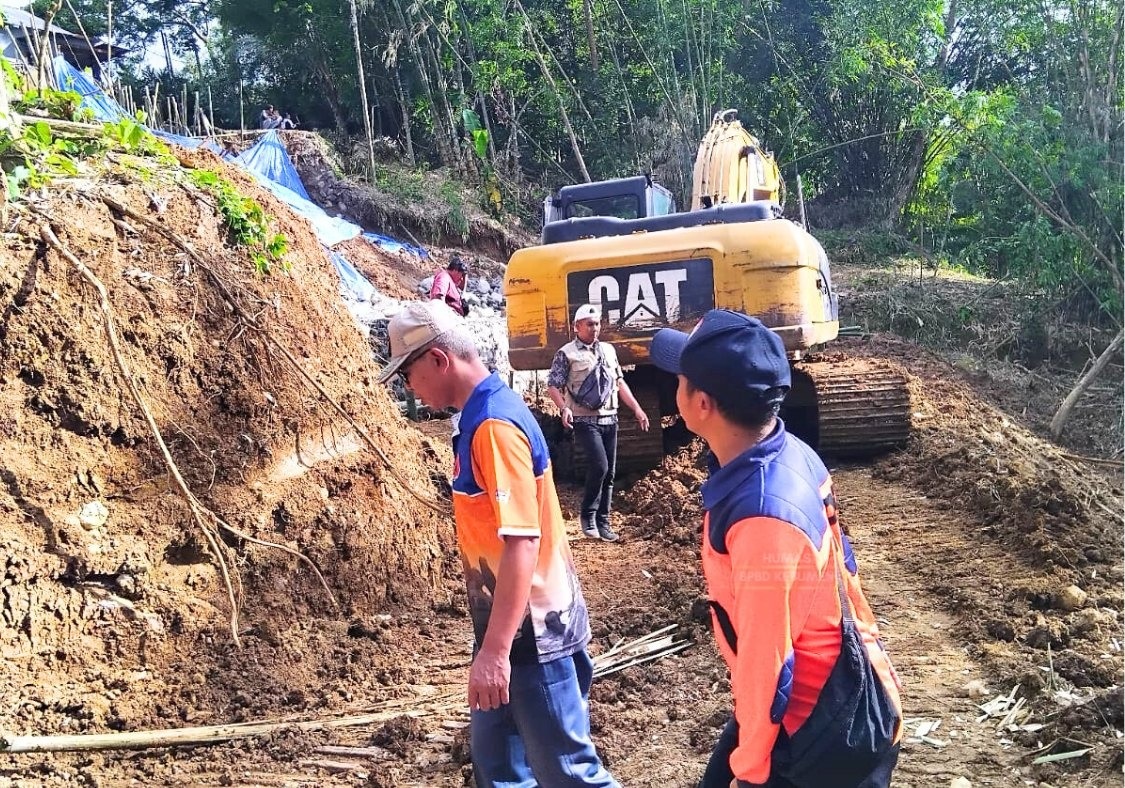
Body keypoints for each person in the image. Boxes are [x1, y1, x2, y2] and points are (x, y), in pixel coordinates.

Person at [649, 309, 903, 788]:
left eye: (680, 377)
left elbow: (768, 664)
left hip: (816, 731)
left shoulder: (763, 517)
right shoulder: (784, 451)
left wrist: (750, 774)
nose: (673, 385)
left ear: (701, 403)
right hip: (819, 698)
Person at [376, 300, 618, 788]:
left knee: (569, 774)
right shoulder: (482, 415)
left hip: (531, 634)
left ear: (439, 361)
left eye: (408, 373)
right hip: (509, 631)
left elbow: (522, 542)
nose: (409, 386)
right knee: (500, 769)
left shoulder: (493, 427)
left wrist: (496, 653)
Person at [546, 304, 650, 543]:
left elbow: (619, 383)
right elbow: (553, 384)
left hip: (609, 417)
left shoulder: (608, 351)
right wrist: (563, 408)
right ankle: (588, 516)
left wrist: (636, 408)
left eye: (597, 324)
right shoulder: (567, 353)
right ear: (577, 327)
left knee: (610, 472)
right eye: (589, 324)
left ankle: (604, 522)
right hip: (584, 419)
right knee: (600, 466)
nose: (595, 329)